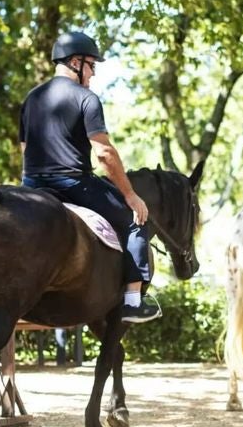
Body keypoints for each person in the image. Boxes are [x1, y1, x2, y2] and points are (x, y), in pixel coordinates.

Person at [19, 31, 160, 323]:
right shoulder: (86, 98)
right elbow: (104, 153)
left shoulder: (32, 98)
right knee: (135, 219)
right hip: (72, 183)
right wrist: (131, 196)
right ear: (75, 62)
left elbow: (24, 148)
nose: (93, 73)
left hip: (32, 185)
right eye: (92, 65)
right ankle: (133, 302)